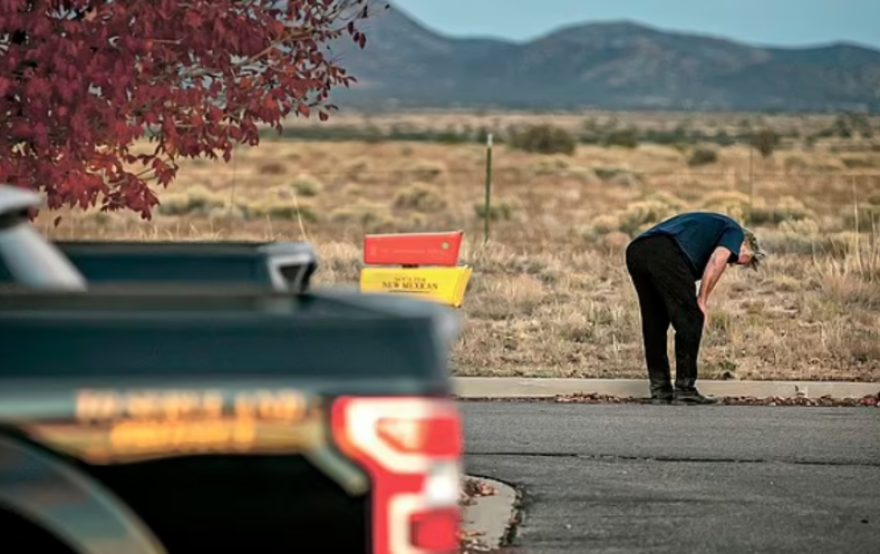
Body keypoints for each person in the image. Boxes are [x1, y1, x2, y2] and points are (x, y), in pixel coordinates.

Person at [625, 212, 766, 405]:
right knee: (692, 317)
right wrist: (702, 300)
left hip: (637, 251)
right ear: (746, 245)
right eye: (740, 259)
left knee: (655, 322)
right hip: (664, 251)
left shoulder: (706, 235)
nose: (733, 263)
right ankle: (685, 389)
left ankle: (660, 390)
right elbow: (718, 260)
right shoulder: (735, 232)